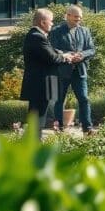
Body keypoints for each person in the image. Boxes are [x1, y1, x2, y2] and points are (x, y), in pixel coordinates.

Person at [21, 8, 78, 138]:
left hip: (41, 84)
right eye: (50, 21)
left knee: (37, 117)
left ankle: (32, 145)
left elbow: (51, 51)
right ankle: (34, 146)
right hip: (40, 84)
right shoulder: (37, 37)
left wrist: (63, 54)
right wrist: (65, 57)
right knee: (37, 118)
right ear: (42, 22)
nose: (52, 24)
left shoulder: (37, 36)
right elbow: (52, 57)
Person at [49, 5, 96, 134]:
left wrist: (81, 55)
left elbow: (91, 49)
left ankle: (88, 128)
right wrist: (69, 55)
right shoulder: (56, 31)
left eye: (80, 17)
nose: (79, 19)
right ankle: (59, 128)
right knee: (59, 100)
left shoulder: (85, 31)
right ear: (68, 15)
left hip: (80, 71)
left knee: (84, 99)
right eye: (76, 17)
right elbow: (53, 50)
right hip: (61, 71)